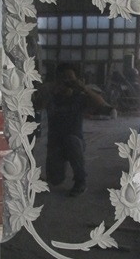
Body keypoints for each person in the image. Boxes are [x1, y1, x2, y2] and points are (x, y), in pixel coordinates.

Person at [34, 63, 115, 197]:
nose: (66, 81)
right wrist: (51, 90)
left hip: (75, 141)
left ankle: (80, 180)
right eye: (63, 78)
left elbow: (102, 105)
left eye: (70, 78)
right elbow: (36, 106)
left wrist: (84, 88)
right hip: (55, 144)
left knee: (71, 141)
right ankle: (60, 167)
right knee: (55, 180)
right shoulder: (52, 95)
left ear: (76, 80)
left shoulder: (79, 97)